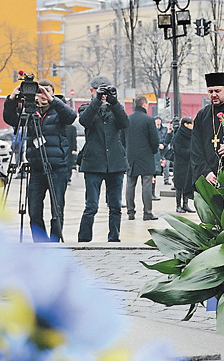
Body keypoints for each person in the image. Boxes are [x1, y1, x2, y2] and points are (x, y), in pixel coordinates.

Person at [2, 79, 77, 242]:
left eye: (47, 91)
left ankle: (54, 243)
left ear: (53, 93)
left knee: (57, 211)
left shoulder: (59, 110)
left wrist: (52, 100)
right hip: (36, 169)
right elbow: (11, 119)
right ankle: (40, 243)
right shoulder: (30, 112)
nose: (43, 95)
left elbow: (71, 117)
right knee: (34, 211)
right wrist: (11, 100)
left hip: (57, 168)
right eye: (40, 92)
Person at [77, 76, 129, 242]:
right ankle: (84, 239)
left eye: (106, 90)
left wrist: (114, 102)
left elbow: (125, 123)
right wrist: (97, 100)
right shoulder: (86, 108)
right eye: (99, 90)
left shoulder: (115, 109)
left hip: (115, 163)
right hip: (93, 163)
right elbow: (85, 122)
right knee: (91, 205)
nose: (104, 94)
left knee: (115, 206)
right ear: (92, 91)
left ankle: (114, 237)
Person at [125, 96, 160, 221]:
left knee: (130, 184)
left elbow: (123, 138)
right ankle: (147, 212)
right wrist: (154, 150)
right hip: (146, 156)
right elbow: (154, 139)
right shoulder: (149, 119)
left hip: (131, 156)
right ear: (144, 104)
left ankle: (130, 212)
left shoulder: (128, 119)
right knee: (146, 184)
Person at [172, 116, 195, 213]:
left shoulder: (192, 134)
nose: (192, 126)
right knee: (179, 184)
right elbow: (178, 149)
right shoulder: (179, 134)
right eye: (191, 124)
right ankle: (178, 205)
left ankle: (185, 204)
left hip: (189, 163)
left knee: (187, 183)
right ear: (186, 124)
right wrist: (190, 152)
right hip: (180, 163)